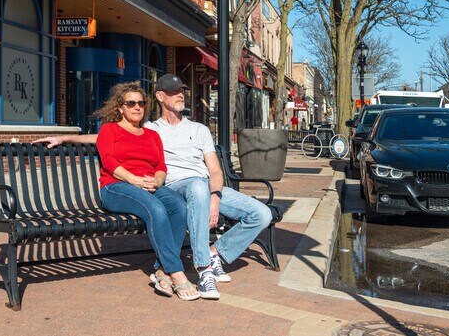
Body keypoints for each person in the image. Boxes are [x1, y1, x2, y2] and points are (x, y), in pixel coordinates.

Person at [35, 74, 272, 301]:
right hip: (168, 186)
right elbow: (105, 139)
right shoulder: (151, 127)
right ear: (160, 97)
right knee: (181, 197)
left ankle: (209, 254)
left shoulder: (188, 130)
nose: (180, 95)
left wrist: (215, 198)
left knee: (262, 213)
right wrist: (64, 138)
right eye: (174, 91)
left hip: (202, 187)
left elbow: (213, 170)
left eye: (182, 91)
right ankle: (202, 268)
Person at [92, 81, 199, 301]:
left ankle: (161, 270)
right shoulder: (109, 130)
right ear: (120, 107)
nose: (137, 107)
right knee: (156, 209)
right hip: (116, 187)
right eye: (130, 103)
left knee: (179, 206)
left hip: (148, 185)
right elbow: (109, 162)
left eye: (141, 103)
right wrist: (134, 180)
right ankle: (177, 272)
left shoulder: (151, 134)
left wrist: (157, 181)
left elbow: (161, 166)